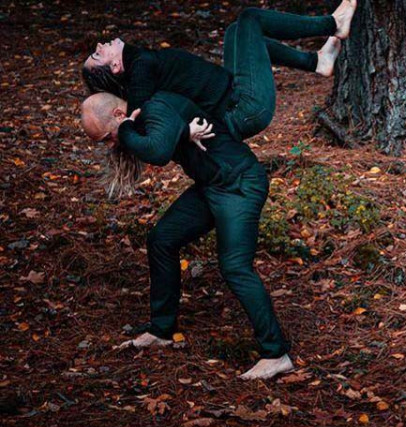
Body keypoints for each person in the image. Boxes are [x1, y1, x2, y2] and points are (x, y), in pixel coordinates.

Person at [80, 90, 292, 380]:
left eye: (107, 137)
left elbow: (159, 150)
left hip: (238, 184)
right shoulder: (145, 114)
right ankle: (162, 330)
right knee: (162, 239)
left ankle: (276, 353)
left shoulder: (153, 111)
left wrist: (178, 132)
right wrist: (183, 133)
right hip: (211, 185)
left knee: (235, 267)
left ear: (119, 116)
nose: (112, 144)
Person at [82, 1, 357, 142]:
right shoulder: (140, 72)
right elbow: (141, 121)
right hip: (245, 109)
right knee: (250, 19)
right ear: (116, 67)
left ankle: (317, 62)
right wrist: (183, 132)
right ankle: (333, 23)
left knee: (237, 32)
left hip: (235, 94)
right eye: (97, 55)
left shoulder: (140, 65)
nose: (98, 45)